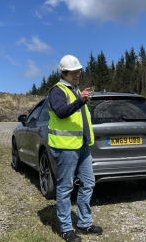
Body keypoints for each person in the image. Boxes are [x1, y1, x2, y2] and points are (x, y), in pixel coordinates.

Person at [48, 55, 102, 242]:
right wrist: (80, 100)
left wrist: (81, 98)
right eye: (74, 72)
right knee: (65, 187)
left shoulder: (75, 90)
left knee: (88, 183)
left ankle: (84, 223)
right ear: (64, 73)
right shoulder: (57, 91)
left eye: (79, 71)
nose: (78, 74)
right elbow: (61, 113)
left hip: (82, 146)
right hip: (66, 148)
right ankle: (65, 229)